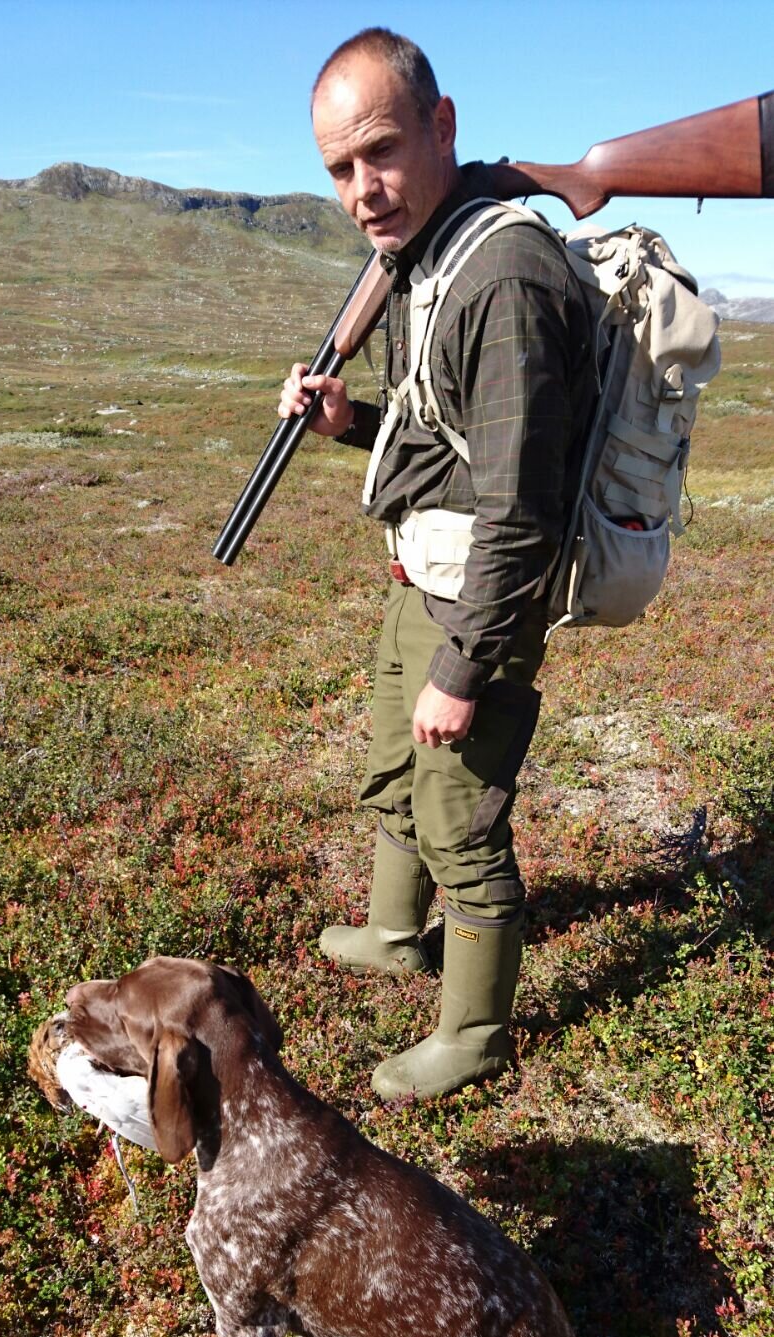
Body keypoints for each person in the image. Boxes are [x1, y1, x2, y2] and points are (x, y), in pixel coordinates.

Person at [279, 28, 593, 1101]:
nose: (362, 190)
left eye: (379, 152)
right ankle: (392, 931)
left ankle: (474, 1032)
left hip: (480, 603)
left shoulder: (501, 275)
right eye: (337, 168)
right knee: (387, 769)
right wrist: (348, 421)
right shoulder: (425, 257)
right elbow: (447, 441)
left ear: (442, 126)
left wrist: (463, 670)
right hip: (428, 575)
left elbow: (521, 507)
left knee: (461, 817)